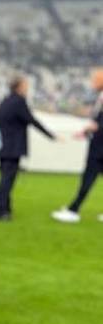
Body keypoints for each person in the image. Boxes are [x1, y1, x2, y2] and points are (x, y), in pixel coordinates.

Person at [0, 76, 55, 221]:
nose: (27, 88)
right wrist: (50, 135)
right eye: (25, 85)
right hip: (14, 147)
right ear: (19, 87)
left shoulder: (4, 101)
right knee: (7, 180)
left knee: (5, 178)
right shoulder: (19, 102)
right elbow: (31, 120)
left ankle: (5, 209)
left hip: (3, 145)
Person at [52, 68, 103, 224]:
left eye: (95, 79)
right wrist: (87, 132)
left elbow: (99, 122)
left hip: (99, 148)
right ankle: (73, 209)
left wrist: (90, 129)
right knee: (88, 178)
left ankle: (73, 210)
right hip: (98, 144)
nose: (92, 82)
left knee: (88, 178)